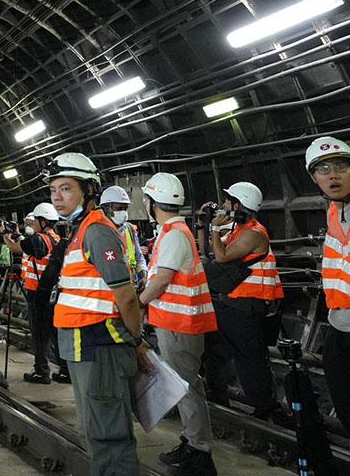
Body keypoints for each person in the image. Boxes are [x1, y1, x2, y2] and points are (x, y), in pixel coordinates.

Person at [48, 152, 151, 476]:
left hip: (100, 344)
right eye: (53, 190)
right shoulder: (80, 231)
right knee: (94, 431)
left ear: (89, 189)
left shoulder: (97, 231)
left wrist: (138, 341)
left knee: (108, 436)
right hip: (84, 345)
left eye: (66, 188)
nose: (57, 197)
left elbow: (126, 296)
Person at [137, 173, 217, 476]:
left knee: (186, 387)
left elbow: (161, 280)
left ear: (153, 203)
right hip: (176, 322)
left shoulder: (173, 234)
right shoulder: (172, 231)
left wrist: (139, 303)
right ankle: (192, 442)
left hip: (181, 324)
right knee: (185, 385)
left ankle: (199, 452)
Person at [309, 136, 350, 471]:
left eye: (341, 167)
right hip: (340, 324)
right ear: (314, 178)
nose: (333, 175)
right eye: (323, 169)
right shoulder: (335, 212)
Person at [203, 180, 285, 421]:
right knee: (216, 353)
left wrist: (215, 228)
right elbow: (210, 251)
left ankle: (265, 413)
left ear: (239, 205)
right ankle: (219, 399)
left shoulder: (254, 233)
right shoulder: (238, 230)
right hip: (230, 305)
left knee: (251, 362)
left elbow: (222, 256)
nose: (224, 205)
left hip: (246, 309)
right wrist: (205, 225)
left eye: (228, 201)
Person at [4, 202, 67, 383]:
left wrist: (4, 235)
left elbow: (15, 248)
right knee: (55, 333)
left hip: (37, 293)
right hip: (54, 293)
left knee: (39, 334)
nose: (33, 225)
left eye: (35, 221)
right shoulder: (58, 240)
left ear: (43, 221)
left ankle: (41, 371)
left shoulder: (39, 239)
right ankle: (65, 370)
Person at [100, 186, 147, 288]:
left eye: (125, 208)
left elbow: (139, 257)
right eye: (119, 209)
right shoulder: (98, 233)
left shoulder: (129, 229)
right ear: (106, 208)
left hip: (130, 288)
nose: (124, 213)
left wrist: (143, 272)